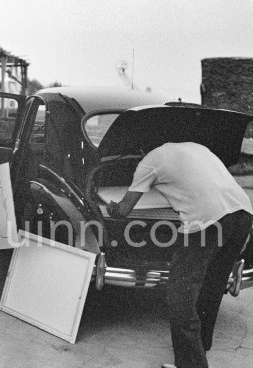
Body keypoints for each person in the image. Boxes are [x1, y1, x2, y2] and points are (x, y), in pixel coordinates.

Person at [107, 142, 253, 368]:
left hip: (209, 220)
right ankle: (199, 348)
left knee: (179, 297)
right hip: (243, 213)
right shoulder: (197, 148)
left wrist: (112, 208)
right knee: (212, 287)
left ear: (141, 150)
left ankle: (192, 365)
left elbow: (125, 209)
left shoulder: (148, 162)